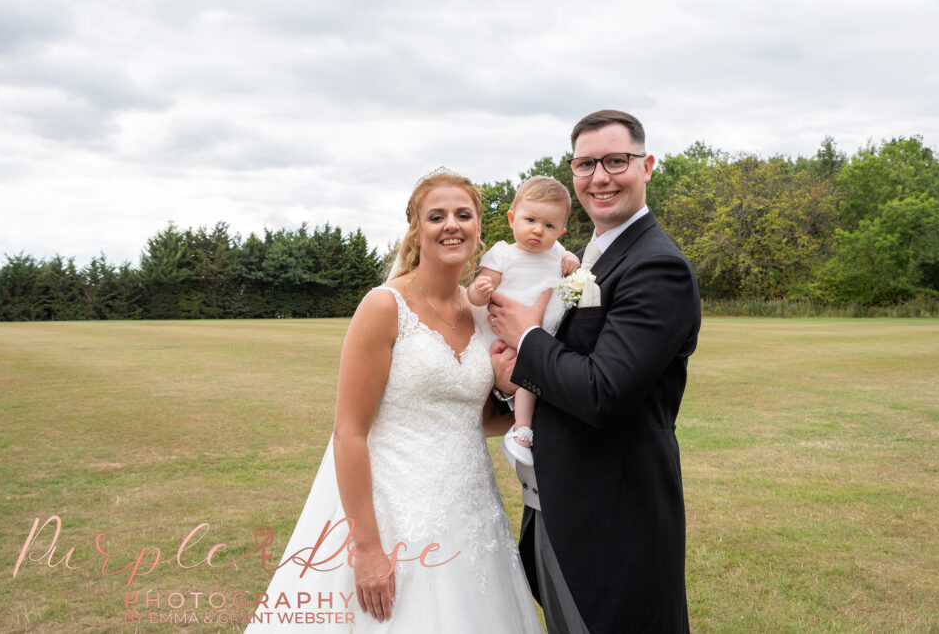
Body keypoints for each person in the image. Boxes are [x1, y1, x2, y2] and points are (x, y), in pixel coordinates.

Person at [247, 170, 542, 633]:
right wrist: (366, 548)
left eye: (464, 215)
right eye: (437, 215)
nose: (452, 225)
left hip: (471, 516)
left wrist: (508, 388)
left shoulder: (483, 313)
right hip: (396, 513)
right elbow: (348, 432)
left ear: (479, 229)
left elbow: (477, 418)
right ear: (415, 230)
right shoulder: (385, 306)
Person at [488, 110, 701, 633]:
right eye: (585, 164)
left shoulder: (657, 266)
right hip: (557, 500)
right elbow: (558, 357)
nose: (600, 176)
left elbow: (604, 392)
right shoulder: (582, 260)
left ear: (646, 166)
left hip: (615, 517)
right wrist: (506, 381)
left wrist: (528, 338)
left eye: (616, 160)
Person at [467, 176, 579, 470]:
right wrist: (479, 291)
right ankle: (522, 428)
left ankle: (522, 430)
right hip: (502, 332)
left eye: (550, 226)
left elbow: (569, 265)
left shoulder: (557, 253)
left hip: (541, 332)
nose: (538, 230)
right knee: (522, 373)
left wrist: (572, 261)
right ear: (512, 218)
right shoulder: (502, 254)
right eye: (530, 220)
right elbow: (479, 294)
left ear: (561, 231)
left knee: (533, 375)